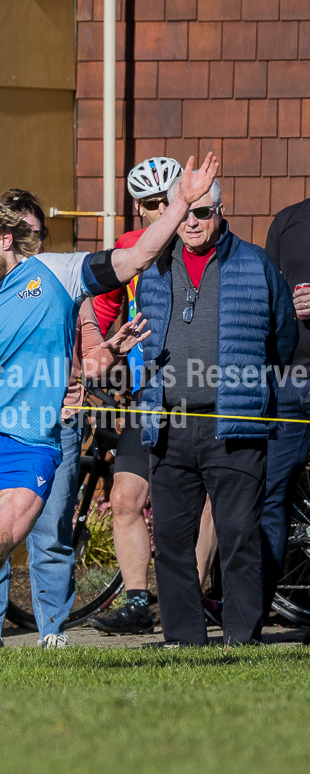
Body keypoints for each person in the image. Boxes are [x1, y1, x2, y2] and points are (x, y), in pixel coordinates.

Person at [0, 153, 219, 670]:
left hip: (31, 450)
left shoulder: (59, 274)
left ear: (3, 239)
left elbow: (138, 255)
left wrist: (182, 203)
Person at [0, 189, 148, 649]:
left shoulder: (65, 286)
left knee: (50, 533)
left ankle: (53, 632)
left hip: (55, 424)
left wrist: (106, 353)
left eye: (36, 233)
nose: (30, 241)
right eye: (22, 232)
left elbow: (91, 358)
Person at [136, 177, 296, 646]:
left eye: (202, 213)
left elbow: (281, 339)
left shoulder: (255, 263)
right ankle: (184, 640)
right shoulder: (155, 267)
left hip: (234, 426)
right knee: (169, 541)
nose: (191, 222)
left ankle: (241, 638)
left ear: (221, 212)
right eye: (184, 212)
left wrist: (250, 390)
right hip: (169, 424)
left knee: (240, 536)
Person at [88, 158, 219, 635]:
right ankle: (138, 602)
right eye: (150, 205)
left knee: (209, 499)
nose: (161, 211)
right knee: (125, 498)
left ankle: (193, 596)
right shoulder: (127, 251)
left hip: (202, 392)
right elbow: (100, 317)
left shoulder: (203, 241)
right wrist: (103, 356)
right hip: (148, 395)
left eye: (167, 200)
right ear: (138, 209)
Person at [262, 200, 310, 624]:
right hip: (290, 380)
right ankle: (253, 618)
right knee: (271, 499)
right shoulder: (288, 220)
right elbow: (267, 294)